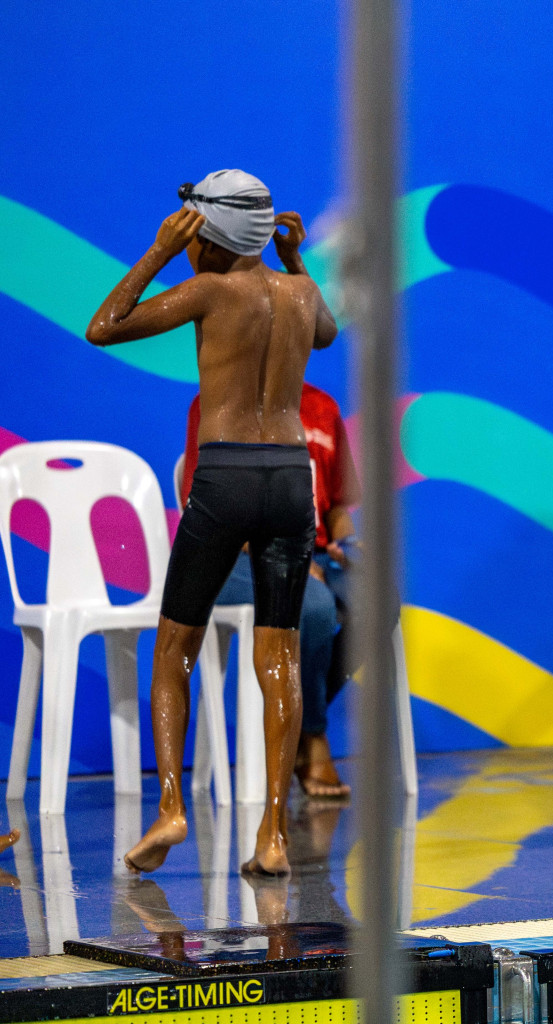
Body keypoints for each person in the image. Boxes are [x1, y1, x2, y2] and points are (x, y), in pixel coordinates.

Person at [86, 169, 337, 875]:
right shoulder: (300, 292)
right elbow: (327, 334)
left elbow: (103, 328)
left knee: (174, 652)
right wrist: (294, 262)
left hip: (225, 477)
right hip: (292, 481)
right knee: (279, 658)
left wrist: (159, 253)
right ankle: (275, 835)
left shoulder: (207, 290)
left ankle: (170, 809)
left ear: (203, 234)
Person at [181, 381, 360, 799]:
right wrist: (290, 557)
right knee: (312, 605)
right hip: (232, 555)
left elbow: (335, 510)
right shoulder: (215, 401)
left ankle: (292, 727)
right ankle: (312, 736)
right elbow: (209, 510)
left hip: (313, 552)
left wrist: (350, 546)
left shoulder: (323, 405)